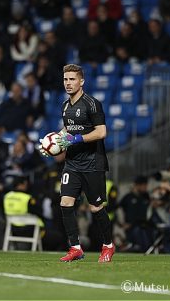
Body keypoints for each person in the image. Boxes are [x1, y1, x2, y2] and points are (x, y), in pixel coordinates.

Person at [39, 64, 114, 263]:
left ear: (81, 81)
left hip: (93, 163)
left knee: (96, 208)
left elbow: (101, 132)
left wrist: (76, 139)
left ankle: (108, 245)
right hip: (72, 163)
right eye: (65, 79)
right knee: (65, 203)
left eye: (72, 79)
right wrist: (53, 142)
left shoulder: (92, 104)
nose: (68, 83)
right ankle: (75, 248)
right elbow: (67, 129)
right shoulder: (65, 106)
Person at [118, 176, 152, 252]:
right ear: (138, 185)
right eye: (144, 185)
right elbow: (118, 209)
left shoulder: (146, 196)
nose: (146, 187)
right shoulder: (128, 197)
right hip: (131, 228)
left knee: (146, 241)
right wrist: (122, 223)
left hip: (144, 226)